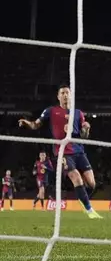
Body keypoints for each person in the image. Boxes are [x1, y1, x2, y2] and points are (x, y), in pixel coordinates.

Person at [18, 85, 102, 219]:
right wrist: (27, 123)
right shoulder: (51, 111)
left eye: (67, 93)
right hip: (63, 151)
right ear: (58, 96)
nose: (64, 95)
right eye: (62, 93)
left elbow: (84, 136)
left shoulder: (78, 113)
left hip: (79, 151)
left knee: (92, 184)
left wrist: (86, 128)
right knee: (76, 177)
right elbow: (35, 125)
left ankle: (82, 199)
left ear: (71, 95)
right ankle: (89, 210)